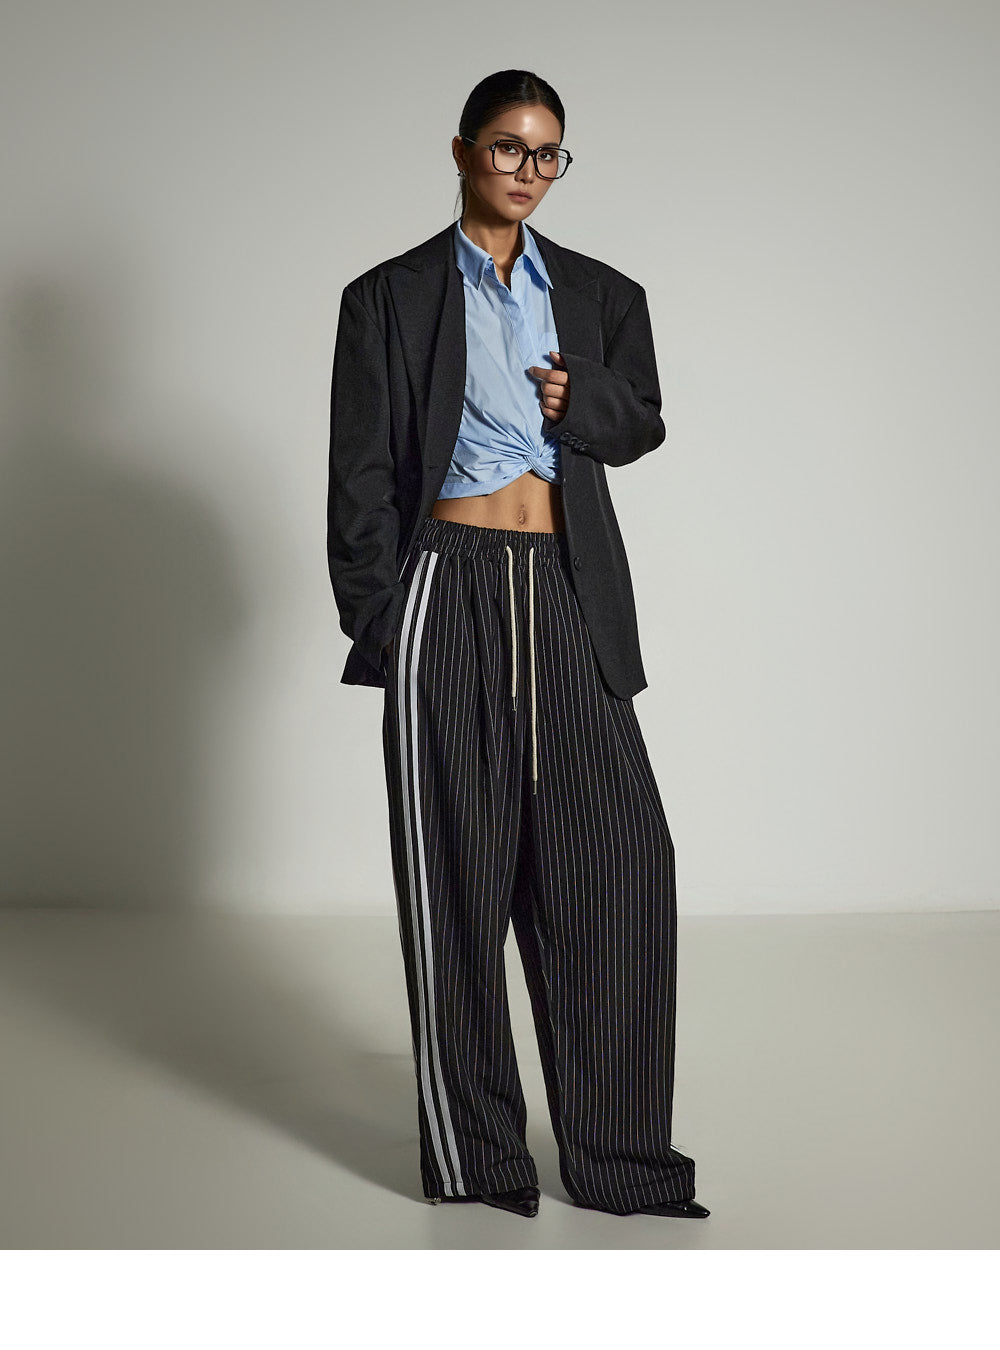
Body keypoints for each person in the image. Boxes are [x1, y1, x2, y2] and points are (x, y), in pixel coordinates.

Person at [327, 68, 709, 1221]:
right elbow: (358, 476)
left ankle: (621, 1160)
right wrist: (384, 615)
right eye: (508, 148)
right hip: (444, 583)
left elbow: (640, 426)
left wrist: (578, 398)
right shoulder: (387, 297)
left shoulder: (600, 294)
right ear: (463, 152)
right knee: (457, 879)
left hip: (567, 588)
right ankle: (479, 1158)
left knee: (620, 868)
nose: (529, 171)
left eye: (548, 154)